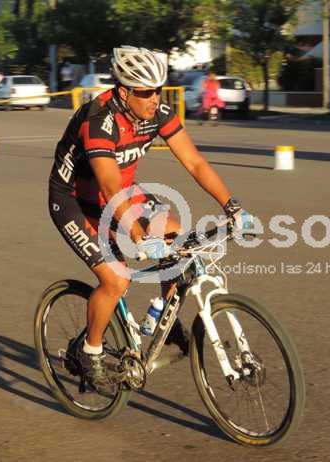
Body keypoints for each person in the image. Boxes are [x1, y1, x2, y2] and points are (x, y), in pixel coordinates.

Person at [47, 46, 253, 392]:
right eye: (145, 92)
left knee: (178, 240)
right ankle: (89, 351)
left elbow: (195, 163)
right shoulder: (99, 120)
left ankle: (164, 322)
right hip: (74, 201)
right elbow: (109, 184)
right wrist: (138, 236)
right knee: (116, 280)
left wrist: (232, 207)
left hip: (122, 193)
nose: (154, 99)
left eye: (158, 90)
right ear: (123, 91)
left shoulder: (158, 112)